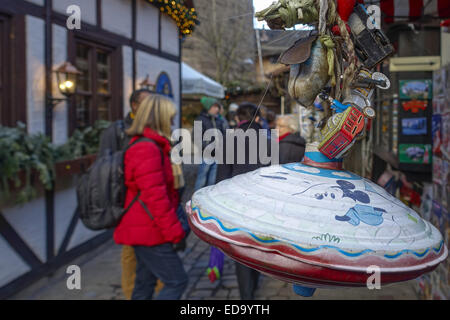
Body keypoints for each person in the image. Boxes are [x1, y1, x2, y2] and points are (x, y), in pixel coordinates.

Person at [114, 94, 188, 300]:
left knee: (144, 283)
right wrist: (175, 233)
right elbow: (155, 199)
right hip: (149, 229)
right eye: (170, 117)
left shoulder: (151, 145)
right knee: (177, 280)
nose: (174, 122)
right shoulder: (147, 148)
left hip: (145, 227)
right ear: (159, 118)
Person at [98, 89, 155, 300]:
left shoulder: (157, 128)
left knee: (158, 254)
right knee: (132, 254)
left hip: (155, 202)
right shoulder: (118, 130)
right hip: (130, 204)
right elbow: (105, 168)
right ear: (134, 105)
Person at [215, 102, 272, 300]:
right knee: (256, 243)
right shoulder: (268, 140)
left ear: (239, 120)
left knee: (242, 247)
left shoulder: (229, 140)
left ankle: (246, 296)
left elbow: (222, 177)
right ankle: (253, 283)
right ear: (257, 119)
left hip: (237, 202)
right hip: (262, 201)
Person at [99, 89, 151, 156]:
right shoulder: (116, 130)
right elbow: (105, 161)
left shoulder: (158, 128)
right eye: (148, 103)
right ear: (134, 105)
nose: (153, 107)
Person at [194, 96, 225, 191]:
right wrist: (208, 148)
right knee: (202, 178)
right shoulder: (200, 120)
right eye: (214, 107)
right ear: (208, 107)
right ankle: (195, 198)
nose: (217, 109)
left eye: (217, 107)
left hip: (217, 154)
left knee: (212, 180)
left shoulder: (218, 120)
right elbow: (196, 138)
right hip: (206, 154)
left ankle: (207, 198)